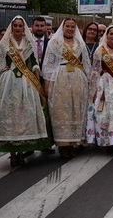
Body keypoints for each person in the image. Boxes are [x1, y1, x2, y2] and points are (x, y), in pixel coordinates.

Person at [0, 16, 52, 166]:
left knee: (25, 116)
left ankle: (22, 151)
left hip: (27, 82)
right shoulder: (4, 44)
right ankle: (12, 152)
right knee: (9, 117)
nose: (18, 28)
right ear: (12, 27)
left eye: (20, 26)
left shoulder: (28, 43)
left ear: (24, 28)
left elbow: (34, 63)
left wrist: (37, 79)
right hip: (8, 82)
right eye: (15, 26)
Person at [42, 19, 92, 158]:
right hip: (60, 78)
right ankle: (63, 145)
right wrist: (47, 83)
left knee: (76, 109)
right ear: (63, 27)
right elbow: (48, 64)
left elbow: (86, 63)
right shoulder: (54, 42)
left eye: (72, 27)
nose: (70, 29)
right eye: (67, 26)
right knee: (62, 110)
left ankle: (75, 142)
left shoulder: (80, 43)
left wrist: (88, 81)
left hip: (77, 78)